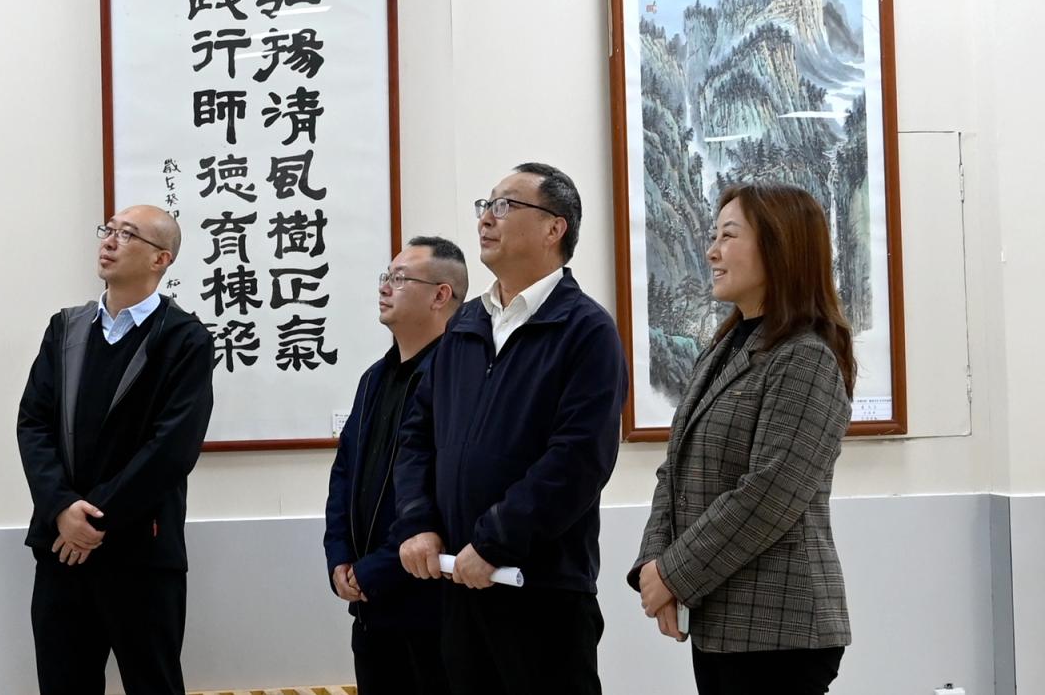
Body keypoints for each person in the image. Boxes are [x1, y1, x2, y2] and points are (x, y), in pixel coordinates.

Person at [394, 163, 629, 694]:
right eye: (485, 205)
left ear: (554, 228)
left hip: (538, 590)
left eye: (504, 205)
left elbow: (578, 461)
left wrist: (495, 543)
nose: (485, 219)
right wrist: (417, 523)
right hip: (459, 582)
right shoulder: (465, 325)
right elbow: (416, 437)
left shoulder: (586, 330)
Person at [627, 182, 853, 695]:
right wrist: (654, 565)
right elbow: (675, 468)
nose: (712, 252)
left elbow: (770, 494)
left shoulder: (806, 356)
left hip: (781, 629)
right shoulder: (725, 346)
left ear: (779, 246)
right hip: (722, 620)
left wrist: (675, 574)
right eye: (714, 236)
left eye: (728, 236)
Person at [16, 205, 215, 695]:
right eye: (108, 230)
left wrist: (94, 522)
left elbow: (172, 448)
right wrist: (62, 508)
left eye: (128, 235)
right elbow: (33, 423)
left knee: (153, 684)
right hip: (61, 550)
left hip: (140, 553)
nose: (109, 241)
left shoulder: (184, 339)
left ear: (160, 259)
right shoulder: (66, 328)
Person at [323, 236, 468, 695]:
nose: (385, 287)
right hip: (370, 605)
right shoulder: (374, 378)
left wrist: (376, 570)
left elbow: (445, 492)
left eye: (400, 278)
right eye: (385, 276)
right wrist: (339, 558)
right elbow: (344, 474)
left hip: (431, 604)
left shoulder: (459, 378)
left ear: (441, 295)